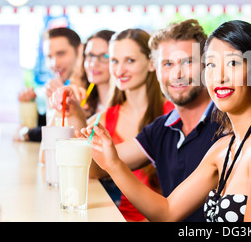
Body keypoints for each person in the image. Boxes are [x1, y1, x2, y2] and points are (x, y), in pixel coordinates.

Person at [81, 20, 251, 222]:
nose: (220, 77)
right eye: (211, 65)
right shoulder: (225, 146)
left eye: (233, 63)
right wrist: (113, 164)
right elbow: (167, 212)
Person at [54, 19, 219, 222]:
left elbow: (168, 213)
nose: (177, 74)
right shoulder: (163, 128)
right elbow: (97, 167)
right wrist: (75, 113)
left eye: (188, 62)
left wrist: (113, 164)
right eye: (168, 63)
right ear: (156, 68)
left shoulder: (227, 126)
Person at [17, 27, 84, 142]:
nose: (54, 63)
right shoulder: (66, 85)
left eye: (61, 53)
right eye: (49, 57)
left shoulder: (92, 86)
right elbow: (50, 125)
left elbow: (71, 133)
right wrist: (31, 103)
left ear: (80, 50)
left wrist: (27, 133)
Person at [80, 29, 115, 118]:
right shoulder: (84, 105)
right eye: (90, 55)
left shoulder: (125, 110)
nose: (93, 64)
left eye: (105, 56)